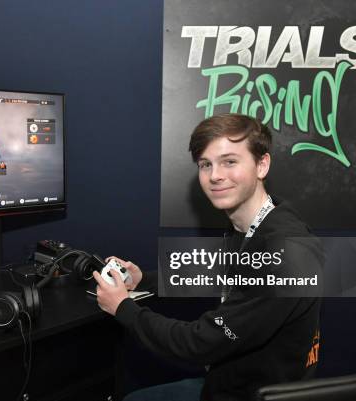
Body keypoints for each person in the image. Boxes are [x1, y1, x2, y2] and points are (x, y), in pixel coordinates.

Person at [93, 113, 323, 401]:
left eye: (230, 161)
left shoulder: (285, 249)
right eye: (206, 165)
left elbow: (199, 342)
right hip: (228, 382)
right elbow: (227, 276)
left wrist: (123, 308)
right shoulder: (254, 224)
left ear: (261, 164)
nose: (215, 175)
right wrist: (144, 280)